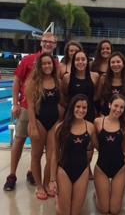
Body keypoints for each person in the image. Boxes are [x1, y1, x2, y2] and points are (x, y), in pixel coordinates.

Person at [3, 32, 57, 191]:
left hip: (46, 110)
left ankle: (32, 173)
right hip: (27, 107)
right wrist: (15, 104)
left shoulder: (55, 63)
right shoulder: (28, 60)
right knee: (19, 140)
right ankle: (12, 175)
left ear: (55, 45)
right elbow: (17, 81)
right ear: (41, 43)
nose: (48, 44)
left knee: (39, 146)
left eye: (51, 42)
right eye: (45, 41)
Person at [49, 94, 96, 214]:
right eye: (78, 107)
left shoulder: (90, 127)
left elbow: (101, 147)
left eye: (84, 108)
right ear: (72, 107)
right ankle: (58, 202)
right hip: (64, 170)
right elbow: (55, 154)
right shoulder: (60, 127)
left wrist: (122, 153)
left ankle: (61, 200)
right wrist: (52, 179)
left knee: (75, 213)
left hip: (82, 171)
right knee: (65, 213)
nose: (81, 110)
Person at [25, 53, 63, 200]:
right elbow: (30, 106)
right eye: (44, 64)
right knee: (36, 155)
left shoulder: (57, 81)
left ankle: (47, 183)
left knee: (51, 157)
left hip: (54, 123)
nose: (47, 66)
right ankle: (39, 185)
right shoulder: (34, 82)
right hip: (38, 122)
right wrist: (33, 126)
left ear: (53, 65)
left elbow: (60, 102)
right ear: (39, 66)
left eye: (50, 63)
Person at [61, 51, 99, 180]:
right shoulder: (67, 77)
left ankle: (86, 168)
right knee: (71, 145)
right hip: (72, 115)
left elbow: (97, 96)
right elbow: (64, 96)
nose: (81, 62)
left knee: (88, 147)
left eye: (83, 59)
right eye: (78, 59)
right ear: (73, 61)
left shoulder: (95, 77)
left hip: (88, 114)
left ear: (87, 61)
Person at [92, 94, 125, 214]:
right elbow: (96, 145)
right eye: (116, 106)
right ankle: (96, 196)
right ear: (109, 105)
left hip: (120, 168)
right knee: (104, 210)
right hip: (101, 167)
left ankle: (111, 195)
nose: (118, 110)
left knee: (114, 211)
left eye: (122, 107)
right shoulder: (98, 122)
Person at [99, 52, 125, 117]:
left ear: (123, 64)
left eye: (118, 62)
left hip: (124, 115)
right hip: (106, 114)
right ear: (109, 65)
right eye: (112, 62)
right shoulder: (103, 79)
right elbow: (101, 99)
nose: (115, 64)